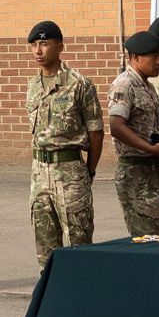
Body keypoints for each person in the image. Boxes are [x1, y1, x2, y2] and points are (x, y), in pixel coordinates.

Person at [21, 21, 98, 296]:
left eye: (43, 44)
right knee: (45, 243)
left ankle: (84, 299)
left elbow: (96, 131)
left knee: (79, 242)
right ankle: (51, 301)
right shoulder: (32, 85)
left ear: (59, 47)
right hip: (39, 173)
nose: (37, 51)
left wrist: (88, 172)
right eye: (33, 45)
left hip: (71, 172)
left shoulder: (79, 84)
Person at [105, 32, 159, 238]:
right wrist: (150, 148)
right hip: (135, 172)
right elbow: (117, 127)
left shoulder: (148, 86)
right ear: (135, 57)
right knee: (147, 239)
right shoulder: (124, 84)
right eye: (154, 56)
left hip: (154, 171)